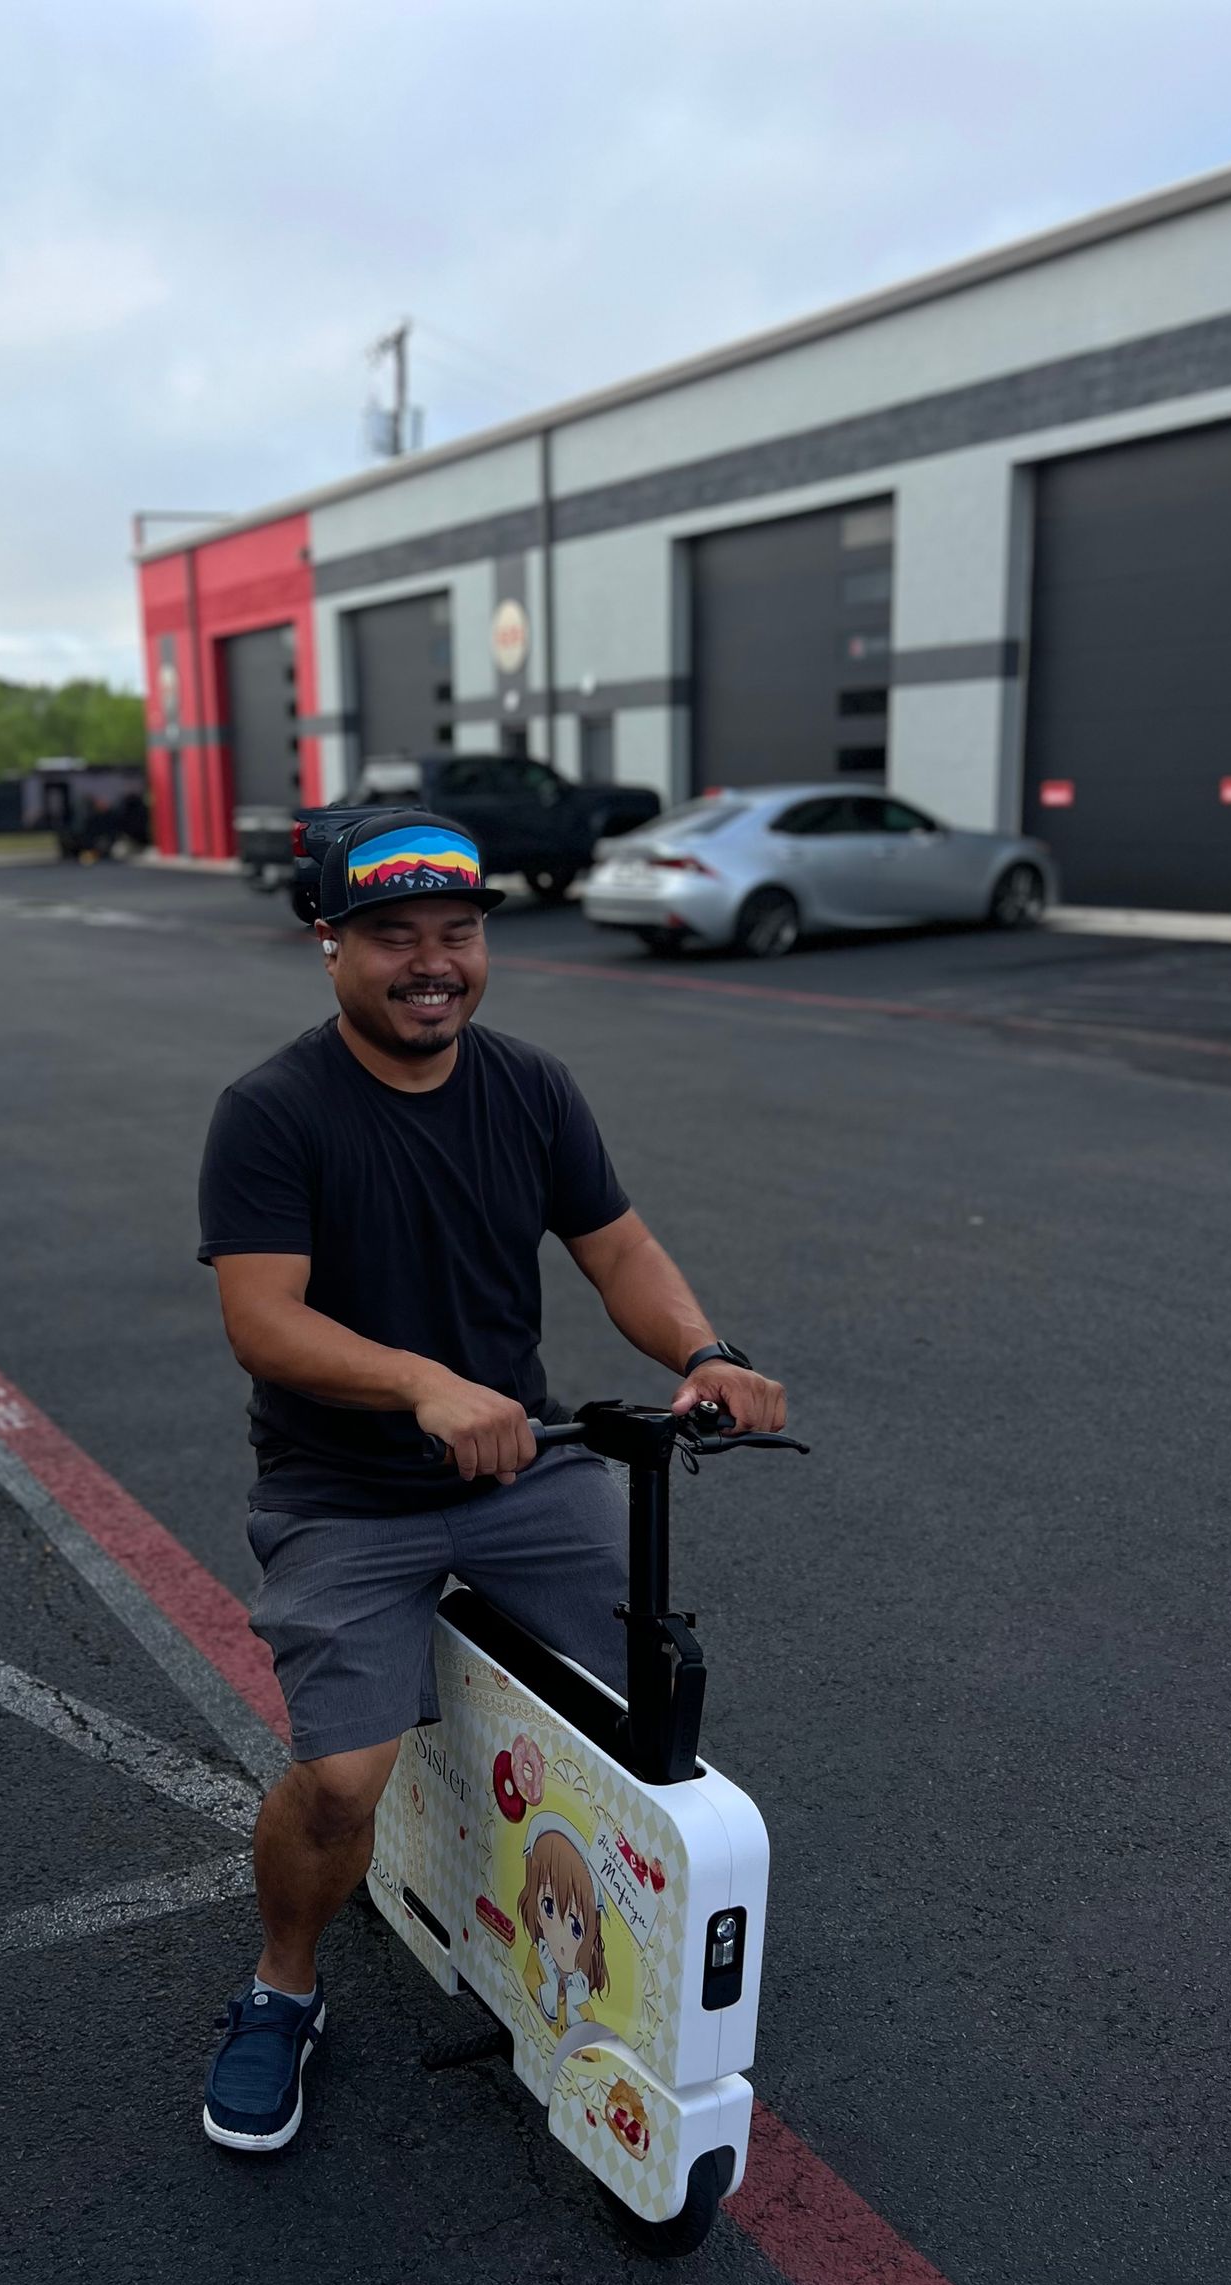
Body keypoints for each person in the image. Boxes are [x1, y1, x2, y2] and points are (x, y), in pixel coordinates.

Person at [196, 807, 786, 2152]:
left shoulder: (530, 1086)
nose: (432, 963)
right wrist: (420, 1383)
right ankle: (281, 1990)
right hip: (344, 1496)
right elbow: (262, 1318)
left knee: (642, 1723)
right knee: (343, 1779)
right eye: (394, 935)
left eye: (455, 934)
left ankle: (600, 1964)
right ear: (329, 945)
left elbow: (617, 1249)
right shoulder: (274, 1111)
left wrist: (704, 1350)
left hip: (522, 1477)